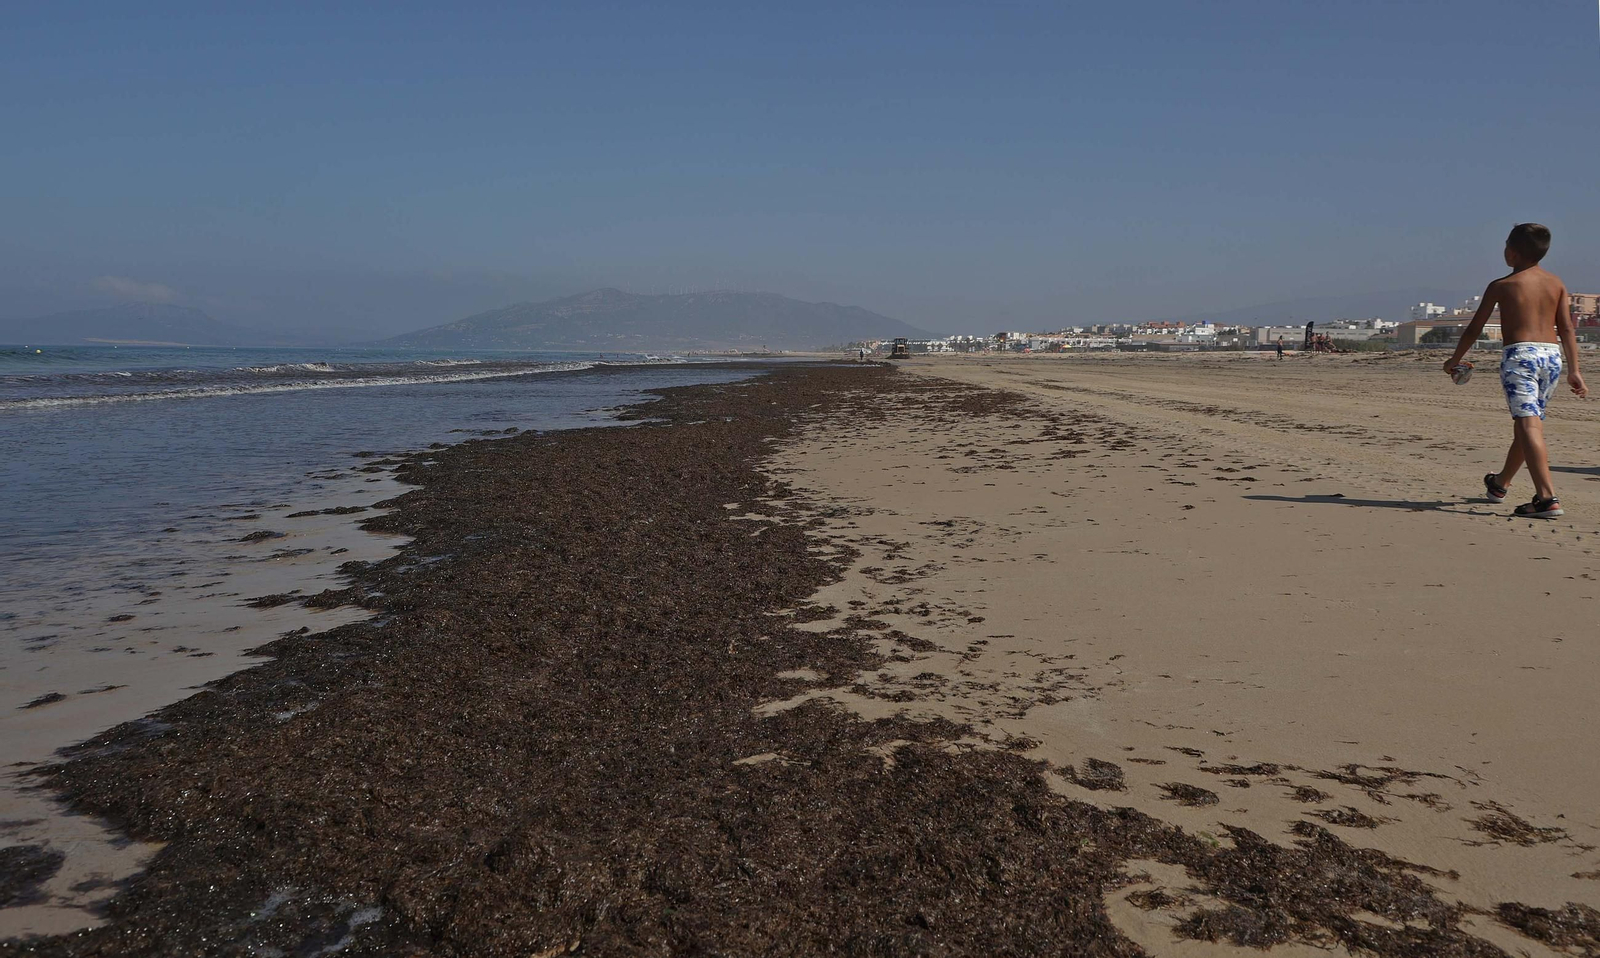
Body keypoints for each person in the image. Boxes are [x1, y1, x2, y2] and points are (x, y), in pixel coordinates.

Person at [1444, 223, 1587, 518]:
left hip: (1520, 356)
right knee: (1528, 423)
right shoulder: (1556, 283)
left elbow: (1474, 328)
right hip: (1551, 358)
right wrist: (1575, 369)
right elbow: (1567, 329)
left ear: (1512, 251)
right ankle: (1499, 484)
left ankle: (1546, 498)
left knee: (1528, 424)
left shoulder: (1501, 285)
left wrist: (1454, 359)